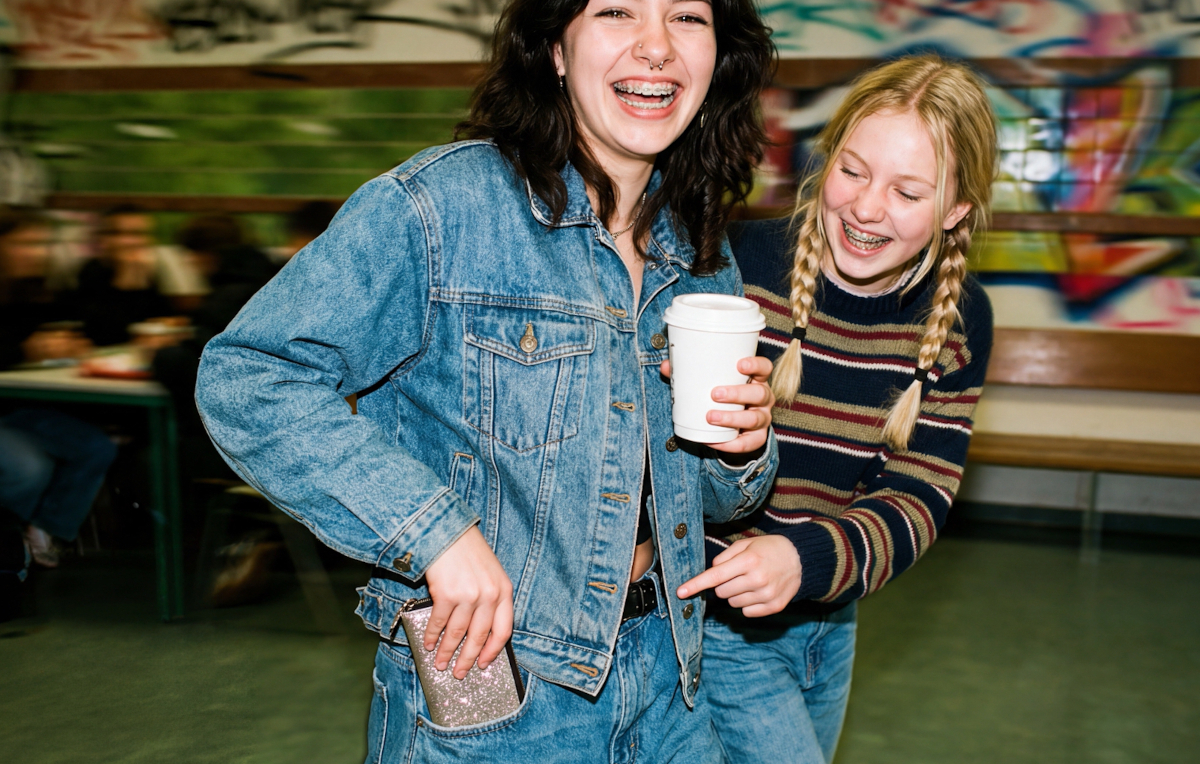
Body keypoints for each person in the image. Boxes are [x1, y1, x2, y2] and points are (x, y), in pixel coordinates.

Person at [196, 1, 777, 761]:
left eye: (687, 18)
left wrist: (740, 448)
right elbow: (250, 377)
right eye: (617, 10)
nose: (657, 46)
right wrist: (434, 531)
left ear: (718, 58)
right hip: (497, 685)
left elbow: (708, 497)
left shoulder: (698, 252)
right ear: (556, 51)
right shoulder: (443, 208)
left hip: (669, 676)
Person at [677, 55, 998, 764]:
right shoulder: (734, 266)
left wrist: (808, 558)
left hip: (834, 614)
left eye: (908, 192)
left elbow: (919, 498)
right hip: (718, 621)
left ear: (955, 211)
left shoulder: (962, 320)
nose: (867, 206)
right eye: (852, 171)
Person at [0, 209, 117, 568]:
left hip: (22, 406)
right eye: (25, 243)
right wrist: (25, 350)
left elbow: (82, 327)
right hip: (11, 411)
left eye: (43, 243)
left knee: (96, 447)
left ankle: (41, 529)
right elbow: (20, 347)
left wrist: (72, 345)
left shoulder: (37, 291)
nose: (37, 252)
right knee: (27, 467)